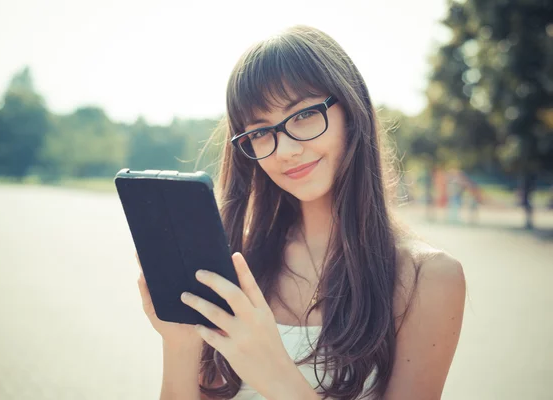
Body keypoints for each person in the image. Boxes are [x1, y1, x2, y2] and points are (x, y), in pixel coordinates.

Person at [136, 26, 466, 400]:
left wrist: (276, 374)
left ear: (351, 111)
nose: (285, 149)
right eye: (261, 132)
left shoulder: (427, 277)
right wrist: (180, 343)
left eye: (304, 114)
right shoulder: (235, 262)